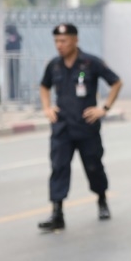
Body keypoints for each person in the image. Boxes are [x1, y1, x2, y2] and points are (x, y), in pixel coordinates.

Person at [39, 23, 123, 231]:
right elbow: (44, 86)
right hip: (62, 127)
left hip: (87, 126)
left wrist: (104, 108)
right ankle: (57, 213)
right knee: (58, 168)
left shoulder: (91, 62)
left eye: (64, 40)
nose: (59, 45)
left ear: (75, 40)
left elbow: (116, 82)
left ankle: (102, 200)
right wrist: (47, 108)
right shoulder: (54, 65)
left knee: (93, 166)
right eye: (56, 41)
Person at [5, 23, 22, 100]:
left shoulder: (16, 38)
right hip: (10, 61)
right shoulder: (12, 38)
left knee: (14, 78)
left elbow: (12, 48)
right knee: (11, 79)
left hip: (15, 61)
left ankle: (15, 95)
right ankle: (12, 95)